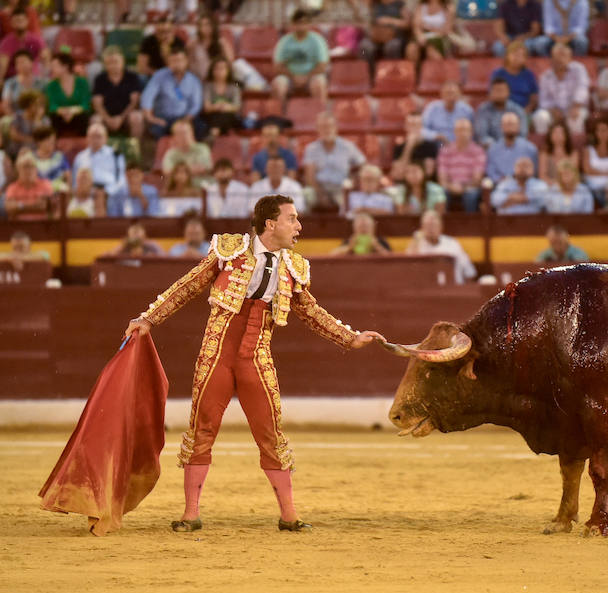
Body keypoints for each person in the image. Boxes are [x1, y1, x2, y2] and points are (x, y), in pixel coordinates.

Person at [124, 195, 385, 533]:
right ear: (270, 224)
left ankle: (289, 516)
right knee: (202, 431)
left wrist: (350, 337)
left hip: (257, 356)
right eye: (292, 219)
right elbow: (188, 286)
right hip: (216, 352)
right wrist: (149, 319)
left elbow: (310, 312)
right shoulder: (229, 251)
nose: (299, 226)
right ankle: (190, 514)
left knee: (271, 434)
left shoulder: (293, 266)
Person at [303, 112, 366, 213]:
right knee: (305, 196)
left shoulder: (348, 146)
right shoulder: (311, 149)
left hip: (341, 188)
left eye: (329, 126)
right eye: (323, 127)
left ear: (336, 127)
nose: (326, 130)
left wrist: (354, 179)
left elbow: (363, 164)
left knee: (349, 201)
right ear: (317, 129)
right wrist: (320, 194)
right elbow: (310, 176)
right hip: (319, 187)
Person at [141, 46, 204, 139]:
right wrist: (150, 117)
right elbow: (147, 97)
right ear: (168, 62)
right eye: (173, 61)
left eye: (179, 60)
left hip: (185, 118)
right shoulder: (159, 76)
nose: (177, 64)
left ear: (186, 61)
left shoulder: (193, 80)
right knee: (155, 131)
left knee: (201, 128)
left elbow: (196, 105)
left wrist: (186, 120)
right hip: (164, 118)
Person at [272, 8, 329, 105]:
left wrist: (306, 77)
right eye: (298, 23)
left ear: (309, 24)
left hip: (311, 77)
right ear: (293, 24)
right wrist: (293, 77)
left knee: (319, 83)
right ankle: (279, 116)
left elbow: (322, 66)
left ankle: (319, 114)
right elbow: (278, 66)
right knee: (278, 83)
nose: (301, 26)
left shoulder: (317, 40)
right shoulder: (284, 41)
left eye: (304, 23)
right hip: (289, 77)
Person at [406, 209, 476, 283]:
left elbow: (469, 273)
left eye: (433, 225)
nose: (431, 229)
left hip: (454, 289)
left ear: (441, 226)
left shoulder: (452, 244)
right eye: (428, 225)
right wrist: (415, 241)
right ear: (422, 227)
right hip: (426, 291)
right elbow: (408, 271)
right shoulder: (417, 244)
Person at [533, 43, 589, 136]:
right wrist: (553, 110)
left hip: (575, 107)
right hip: (554, 111)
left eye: (564, 55)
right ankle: (545, 147)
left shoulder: (579, 69)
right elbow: (543, 100)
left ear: (570, 58)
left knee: (576, 117)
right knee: (540, 117)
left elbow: (582, 88)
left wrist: (575, 105)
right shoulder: (545, 76)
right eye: (557, 56)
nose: (560, 59)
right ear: (551, 59)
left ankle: (575, 147)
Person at [92, 46, 143, 140]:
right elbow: (97, 104)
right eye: (109, 63)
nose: (113, 66)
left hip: (126, 116)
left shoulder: (132, 77)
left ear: (122, 61)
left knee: (137, 117)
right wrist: (108, 119)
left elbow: (134, 103)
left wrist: (121, 118)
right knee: (95, 120)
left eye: (116, 62)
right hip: (106, 116)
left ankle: (135, 149)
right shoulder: (100, 79)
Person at [437, 118, 486, 212]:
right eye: (459, 130)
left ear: (471, 132)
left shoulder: (478, 151)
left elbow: (477, 179)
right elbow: (442, 178)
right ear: (454, 132)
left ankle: (471, 224)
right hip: (450, 186)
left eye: (465, 130)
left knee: (471, 195)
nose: (462, 133)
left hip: (470, 187)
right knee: (440, 193)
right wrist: (451, 186)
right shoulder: (445, 151)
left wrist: (462, 187)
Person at [44, 52, 91, 136]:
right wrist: (63, 112)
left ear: (65, 67)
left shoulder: (82, 82)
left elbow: (85, 104)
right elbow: (52, 105)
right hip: (60, 117)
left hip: (78, 116)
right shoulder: (51, 85)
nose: (52, 69)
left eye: (55, 66)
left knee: (84, 116)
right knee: (53, 117)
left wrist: (71, 111)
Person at [72, 123, 126, 195]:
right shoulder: (80, 157)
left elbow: (121, 181)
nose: (95, 140)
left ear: (106, 138)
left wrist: (107, 192)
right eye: (92, 136)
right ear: (87, 138)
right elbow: (75, 183)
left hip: (110, 195)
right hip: (87, 196)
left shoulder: (116, 155)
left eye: (99, 136)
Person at [474, 78, 528, 148]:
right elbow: (482, 136)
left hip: (515, 148)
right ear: (490, 92)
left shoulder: (517, 111)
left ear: (508, 92)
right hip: (491, 149)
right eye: (496, 90)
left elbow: (522, 135)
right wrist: (499, 147)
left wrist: (508, 145)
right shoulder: (483, 110)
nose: (499, 94)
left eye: (501, 90)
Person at [485, 111, 537, 183]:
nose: (509, 127)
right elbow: (491, 172)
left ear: (518, 126)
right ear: (501, 127)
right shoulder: (493, 149)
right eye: (507, 124)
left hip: (524, 185)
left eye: (512, 124)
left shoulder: (530, 149)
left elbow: (533, 172)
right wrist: (501, 180)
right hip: (499, 187)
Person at [490, 40, 539, 112]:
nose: (517, 58)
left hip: (525, 111)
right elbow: (493, 96)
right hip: (502, 112)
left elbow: (534, 99)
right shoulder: (498, 74)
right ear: (507, 55)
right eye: (515, 54)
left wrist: (525, 111)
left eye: (521, 55)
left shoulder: (529, 75)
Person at [359, 0, 411, 66]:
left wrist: (389, 21)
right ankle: (370, 72)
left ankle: (392, 71)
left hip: (395, 37)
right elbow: (369, 22)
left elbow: (408, 24)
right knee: (365, 45)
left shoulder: (399, 4)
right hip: (377, 37)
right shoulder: (374, 4)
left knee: (392, 46)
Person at [0, 7, 47, 81]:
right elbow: (2, 65)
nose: (19, 23)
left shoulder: (36, 39)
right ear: (11, 23)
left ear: (27, 21)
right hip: (13, 80)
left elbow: (45, 58)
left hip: (34, 79)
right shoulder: (6, 42)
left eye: (21, 20)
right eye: (16, 21)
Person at [5, 151, 54, 220]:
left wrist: (19, 205)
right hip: (18, 227)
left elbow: (45, 206)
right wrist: (34, 205)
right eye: (25, 167)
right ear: (18, 169)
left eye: (31, 166)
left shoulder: (45, 185)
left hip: (42, 226)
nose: (28, 170)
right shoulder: (12, 188)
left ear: (36, 169)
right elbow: (9, 208)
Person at [161, 119, 213, 185]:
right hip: (179, 187)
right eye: (180, 133)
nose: (183, 136)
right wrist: (191, 169)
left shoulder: (202, 149)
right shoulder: (171, 153)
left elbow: (204, 168)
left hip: (199, 185)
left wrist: (178, 171)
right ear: (174, 137)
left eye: (185, 132)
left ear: (192, 133)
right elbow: (166, 172)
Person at [201, 56, 242, 138]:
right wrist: (218, 107)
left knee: (225, 115)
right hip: (212, 116)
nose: (219, 71)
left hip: (229, 116)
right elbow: (207, 107)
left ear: (228, 70)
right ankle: (215, 132)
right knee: (218, 117)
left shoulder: (234, 86)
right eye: (217, 68)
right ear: (212, 70)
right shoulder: (207, 86)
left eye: (222, 68)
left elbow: (237, 106)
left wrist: (224, 107)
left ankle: (212, 135)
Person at [391, 112, 439, 180]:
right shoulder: (399, 147)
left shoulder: (431, 146)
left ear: (422, 127)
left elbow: (428, 174)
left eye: (417, 125)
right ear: (406, 126)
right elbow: (398, 175)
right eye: (411, 125)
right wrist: (409, 146)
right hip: (405, 185)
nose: (414, 128)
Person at [582, 119, 608, 208]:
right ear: (595, 133)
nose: (602, 133)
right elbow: (587, 170)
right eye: (599, 130)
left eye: (605, 130)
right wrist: (606, 173)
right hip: (594, 185)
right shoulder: (588, 150)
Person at [1, 49, 45, 115]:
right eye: (17, 63)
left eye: (23, 61)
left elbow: (45, 103)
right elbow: (6, 105)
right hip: (16, 119)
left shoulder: (42, 82)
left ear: (31, 63)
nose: (20, 64)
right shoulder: (10, 83)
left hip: (37, 118)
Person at [8, 91, 49, 159]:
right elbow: (13, 135)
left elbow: (43, 138)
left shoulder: (45, 120)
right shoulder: (18, 117)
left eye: (41, 104)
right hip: (18, 152)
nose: (38, 107)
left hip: (38, 153)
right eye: (36, 104)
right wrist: (30, 140)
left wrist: (37, 120)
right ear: (28, 105)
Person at [33, 126, 69, 193]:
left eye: (53, 141)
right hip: (38, 193)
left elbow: (68, 176)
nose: (52, 144)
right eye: (49, 141)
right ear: (39, 142)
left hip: (58, 192)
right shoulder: (31, 158)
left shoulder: (59, 156)